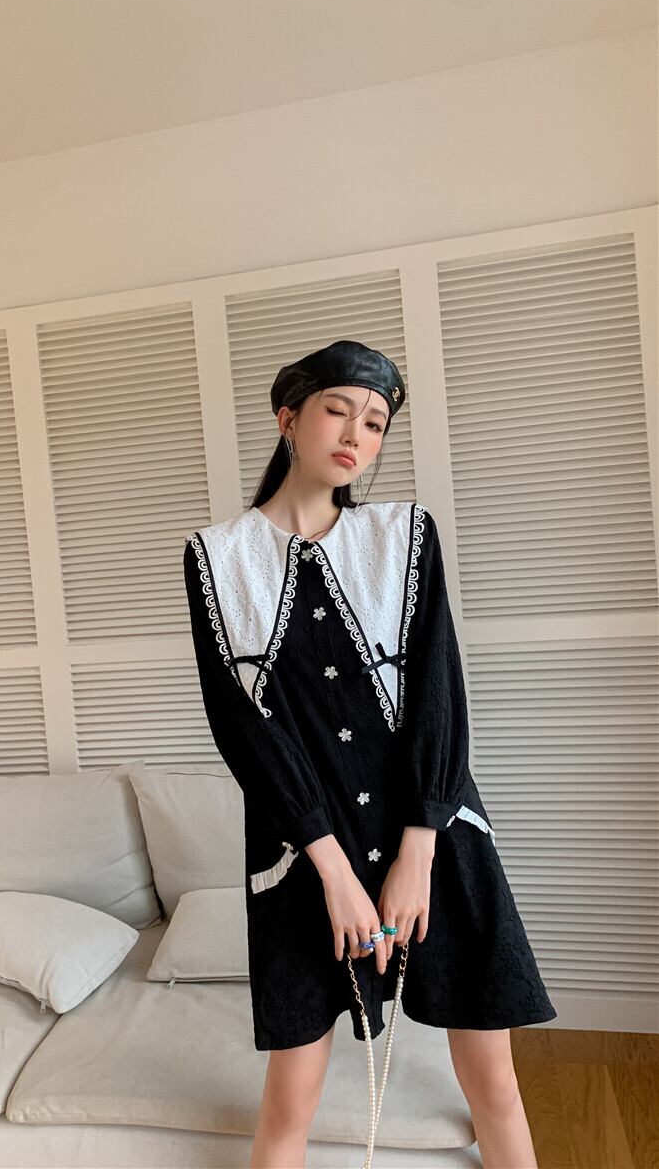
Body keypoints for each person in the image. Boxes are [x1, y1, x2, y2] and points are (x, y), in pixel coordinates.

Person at [181, 340, 556, 1169]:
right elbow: (244, 733)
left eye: (376, 422)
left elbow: (438, 696)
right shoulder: (218, 558)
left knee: (494, 1083)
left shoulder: (403, 535)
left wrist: (418, 853)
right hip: (304, 851)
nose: (358, 434)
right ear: (289, 418)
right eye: (338, 411)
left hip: (435, 832)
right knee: (292, 1098)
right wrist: (336, 874)